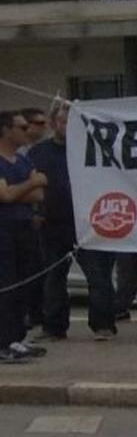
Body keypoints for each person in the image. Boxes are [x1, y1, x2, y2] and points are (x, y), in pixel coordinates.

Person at [29, 103, 113, 341]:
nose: (67, 127)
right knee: (53, 279)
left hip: (86, 223)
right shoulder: (39, 152)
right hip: (53, 223)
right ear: (54, 123)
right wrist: (36, 211)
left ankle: (103, 324)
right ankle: (54, 327)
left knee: (98, 277)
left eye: (72, 122)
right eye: (64, 121)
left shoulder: (91, 149)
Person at [0, 109, 51, 362]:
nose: (26, 131)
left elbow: (39, 195)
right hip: (4, 229)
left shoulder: (22, 160)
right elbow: (5, 196)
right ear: (6, 131)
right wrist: (30, 184)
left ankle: (16, 337)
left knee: (23, 284)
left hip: (24, 226)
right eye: (21, 127)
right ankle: (3, 341)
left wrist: (21, 189)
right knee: (6, 285)